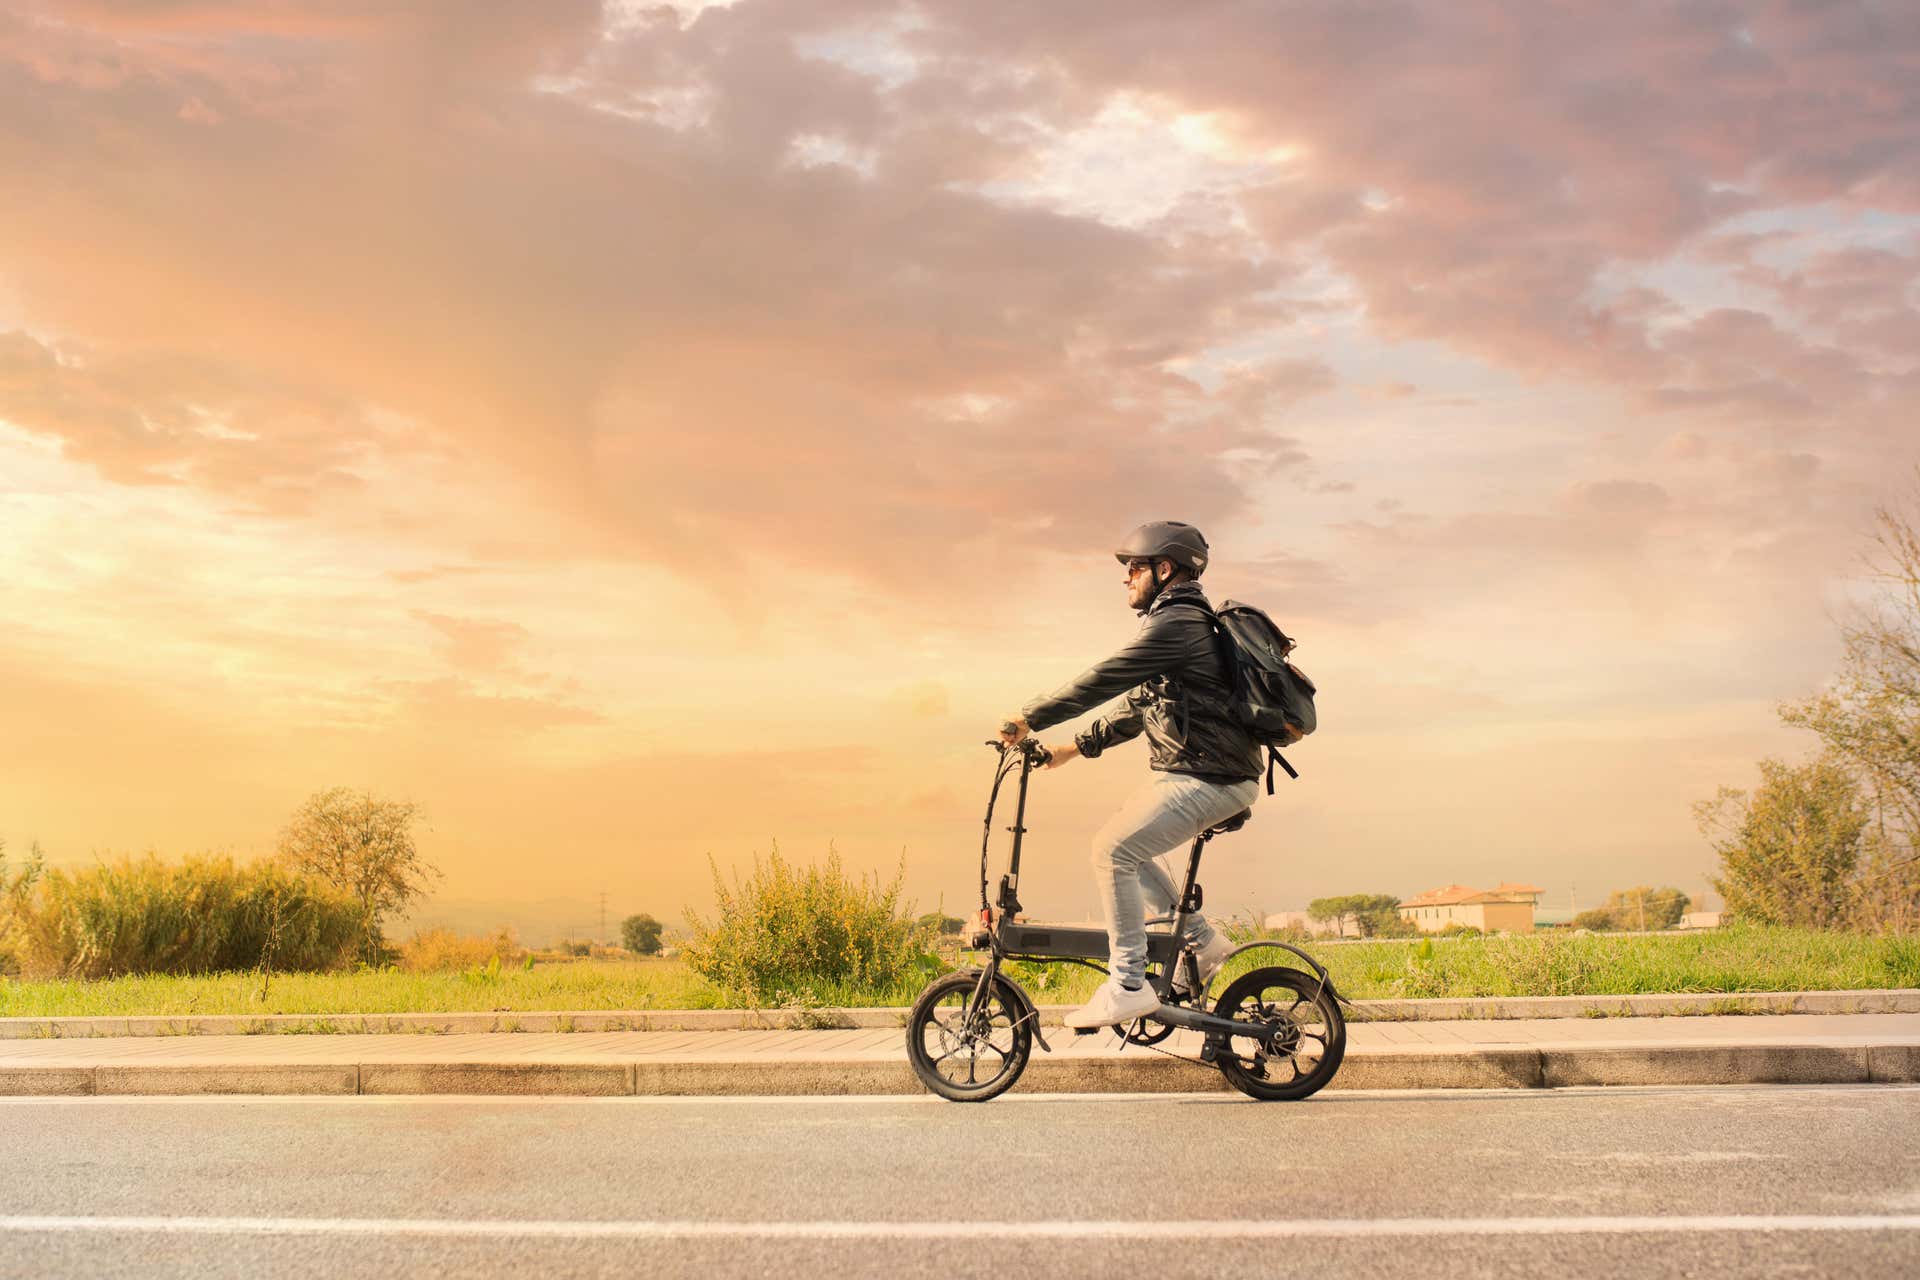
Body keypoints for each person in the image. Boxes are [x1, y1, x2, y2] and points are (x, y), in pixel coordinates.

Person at [996, 521, 1263, 1029]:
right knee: (1122, 846)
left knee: (1114, 851)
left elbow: (1106, 677)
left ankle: (1128, 983)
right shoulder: (1180, 626)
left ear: (1164, 570)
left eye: (1134, 568)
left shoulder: (1177, 624)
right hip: (1201, 770)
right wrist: (1067, 749)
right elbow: (1140, 704)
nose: (1126, 579)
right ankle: (1202, 944)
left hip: (1211, 775)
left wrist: (1029, 715)